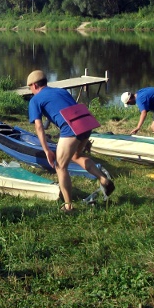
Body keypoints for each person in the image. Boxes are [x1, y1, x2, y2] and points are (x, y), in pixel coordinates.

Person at [26, 70, 114, 212]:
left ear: (34, 85)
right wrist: (85, 138)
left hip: (71, 128)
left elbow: (39, 126)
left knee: (60, 167)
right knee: (76, 156)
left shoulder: (35, 100)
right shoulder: (60, 91)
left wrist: (47, 150)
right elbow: (73, 109)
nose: (30, 91)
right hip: (86, 122)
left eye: (29, 87)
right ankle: (103, 179)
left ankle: (68, 206)